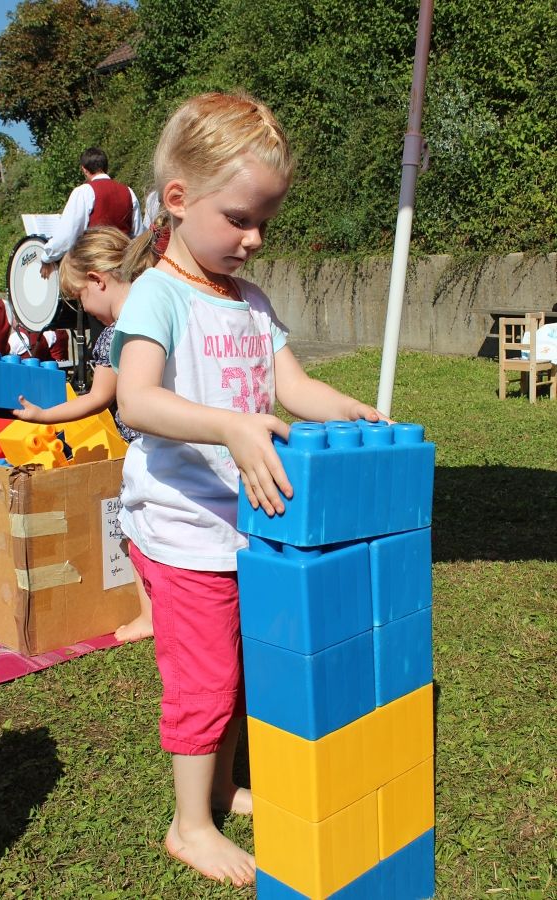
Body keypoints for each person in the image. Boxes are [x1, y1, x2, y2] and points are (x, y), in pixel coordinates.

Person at [110, 91, 391, 888]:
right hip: (180, 529)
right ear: (177, 199)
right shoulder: (158, 295)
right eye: (239, 218)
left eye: (265, 220)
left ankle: (220, 786)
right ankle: (189, 825)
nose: (255, 238)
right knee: (204, 679)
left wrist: (351, 411)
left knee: (236, 668)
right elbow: (136, 401)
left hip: (243, 528)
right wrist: (231, 427)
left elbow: (290, 385)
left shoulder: (252, 303)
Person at [13, 226, 155, 643]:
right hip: (182, 441)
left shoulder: (115, 335)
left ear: (98, 280)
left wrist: (43, 416)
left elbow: (96, 399)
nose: (85, 309)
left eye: (80, 298)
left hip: (145, 449)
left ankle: (149, 615)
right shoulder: (161, 309)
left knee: (134, 529)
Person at [40, 147, 143, 279]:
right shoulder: (129, 192)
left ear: (84, 169)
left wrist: (47, 257)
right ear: (106, 167)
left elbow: (67, 236)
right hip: (122, 268)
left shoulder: (84, 192)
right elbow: (138, 235)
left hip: (94, 268)